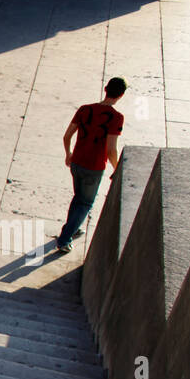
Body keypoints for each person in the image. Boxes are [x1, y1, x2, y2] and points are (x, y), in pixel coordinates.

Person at [54, 77, 126, 253]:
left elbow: (66, 136)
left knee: (78, 197)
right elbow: (111, 150)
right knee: (85, 202)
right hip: (93, 167)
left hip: (76, 162)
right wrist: (117, 169)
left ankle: (73, 227)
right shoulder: (116, 118)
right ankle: (64, 240)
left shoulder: (85, 109)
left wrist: (68, 154)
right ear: (121, 95)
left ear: (105, 89)